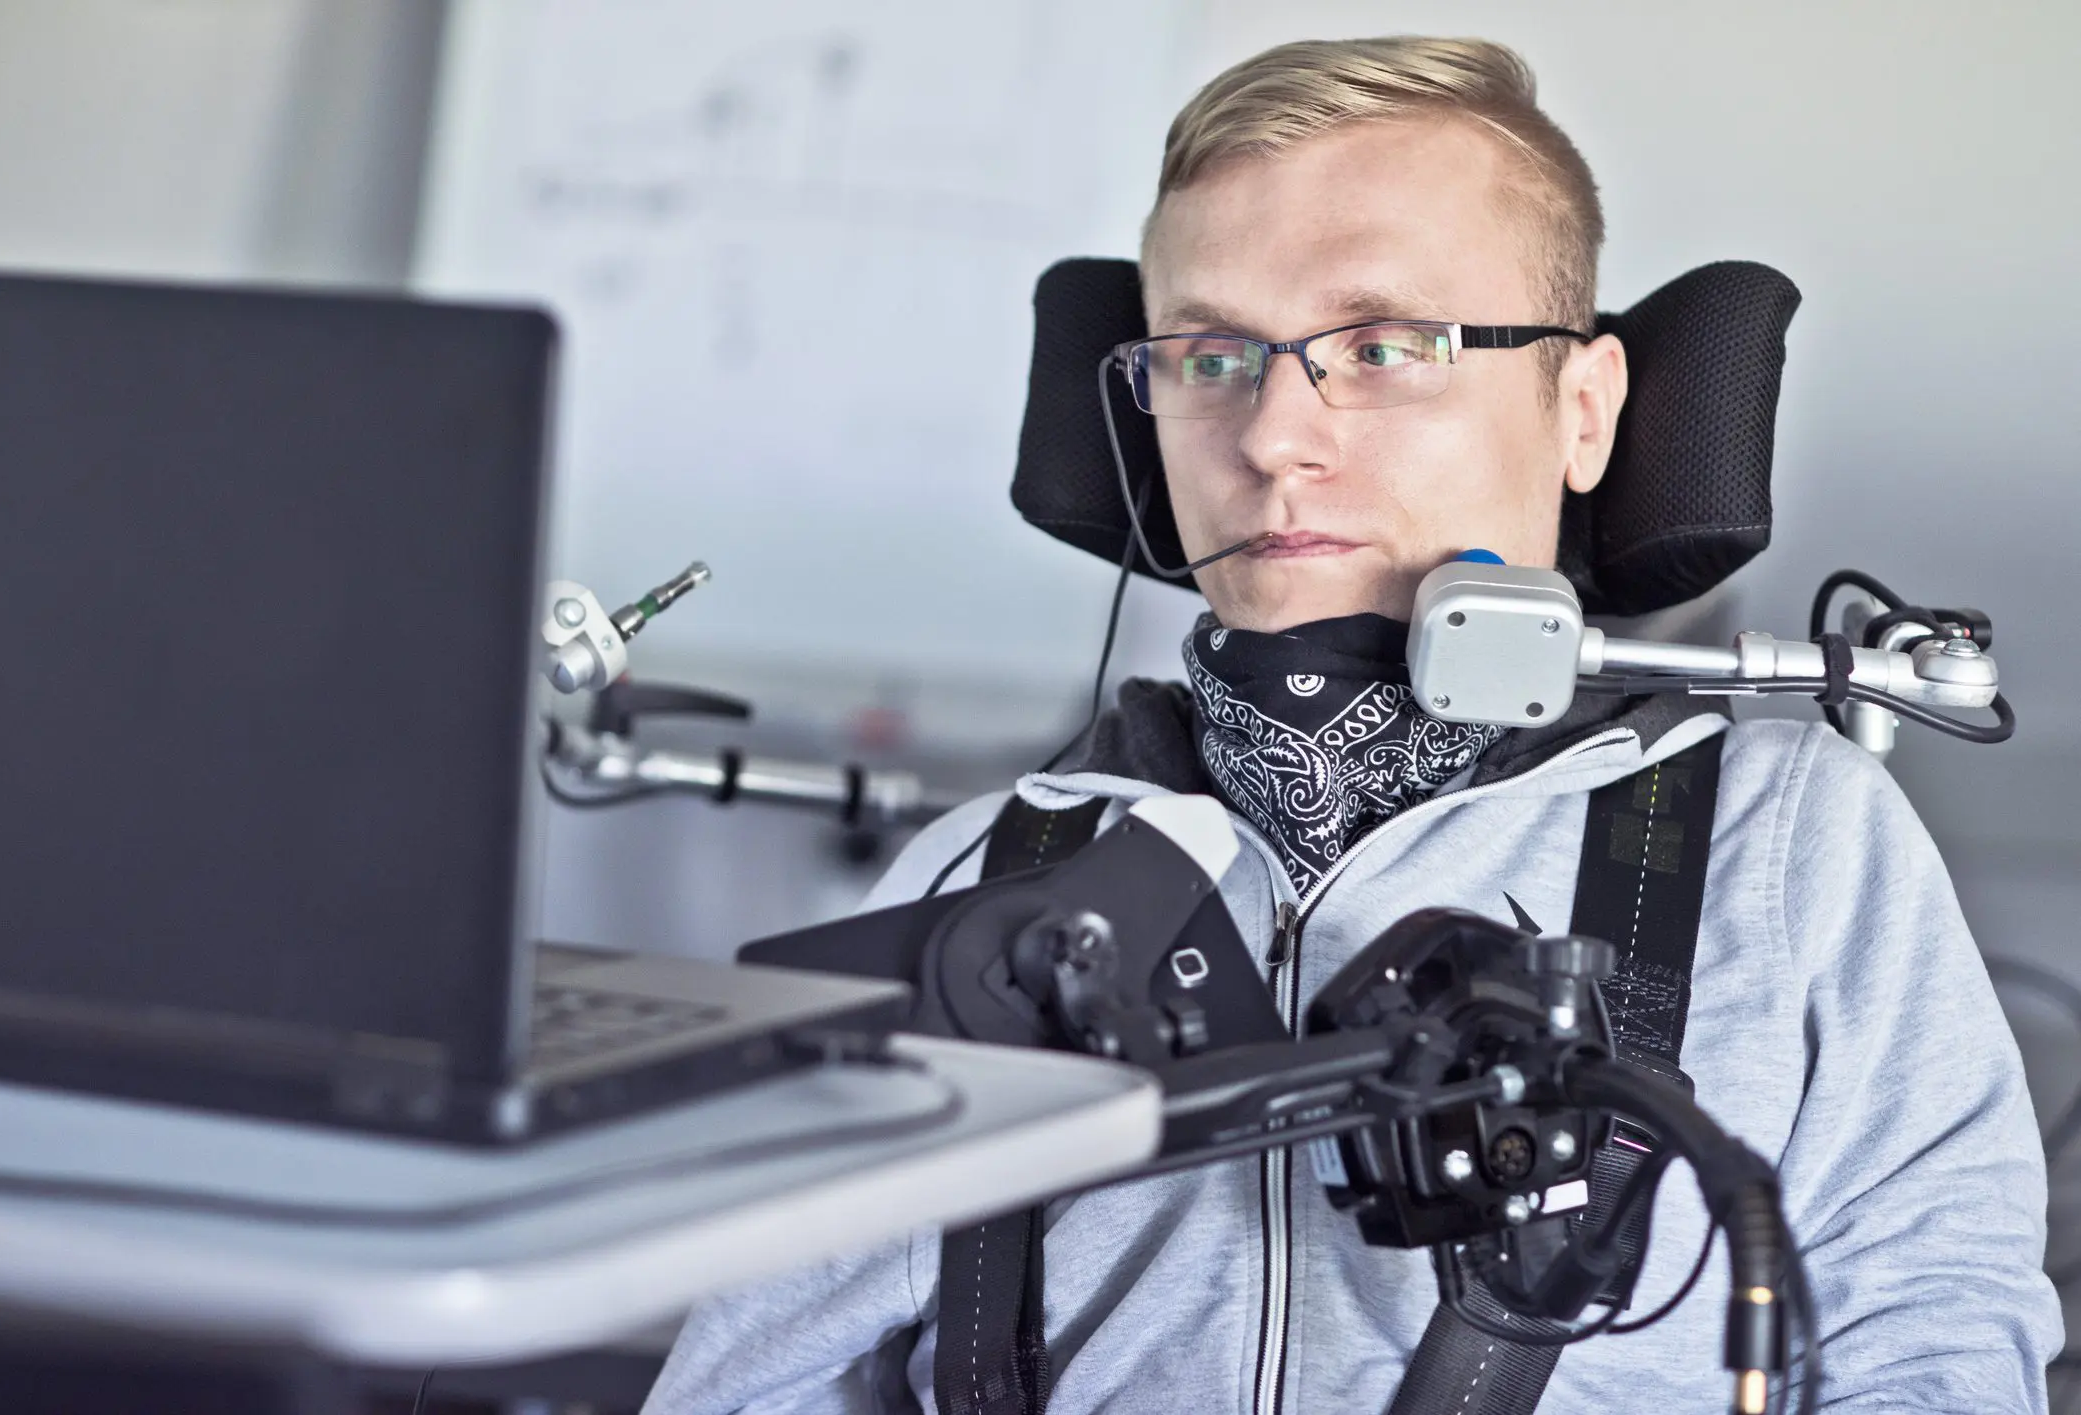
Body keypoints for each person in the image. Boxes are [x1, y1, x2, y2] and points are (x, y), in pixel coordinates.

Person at [647, 36, 2060, 1413]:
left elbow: (1934, 1341)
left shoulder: (1796, 842)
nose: (1271, 437)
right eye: (1210, 357)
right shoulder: (981, 878)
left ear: (1583, 411)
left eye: (1384, 345)